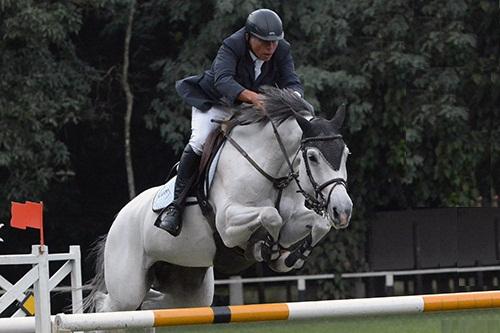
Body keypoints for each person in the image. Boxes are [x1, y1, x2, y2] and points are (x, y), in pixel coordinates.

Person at [156, 8, 304, 236]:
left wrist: (293, 100)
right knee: (199, 141)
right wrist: (255, 98)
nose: (270, 48)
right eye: (265, 42)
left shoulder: (281, 49)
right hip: (216, 101)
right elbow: (223, 80)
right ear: (249, 36)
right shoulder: (232, 45)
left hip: (250, 108)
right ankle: (175, 206)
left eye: (274, 43)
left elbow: (292, 82)